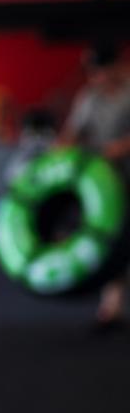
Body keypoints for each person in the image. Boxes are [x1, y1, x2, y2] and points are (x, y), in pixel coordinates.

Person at [57, 42, 130, 329]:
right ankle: (111, 307)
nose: (96, 77)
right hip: (107, 183)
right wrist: (61, 151)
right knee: (115, 241)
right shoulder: (89, 97)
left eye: (101, 70)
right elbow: (73, 132)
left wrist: (120, 147)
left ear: (116, 67)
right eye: (92, 71)